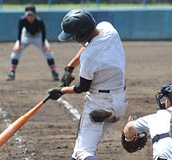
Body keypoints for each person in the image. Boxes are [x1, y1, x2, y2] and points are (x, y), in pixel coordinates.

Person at [48, 9, 128, 160]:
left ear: (83, 32)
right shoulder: (108, 29)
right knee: (80, 150)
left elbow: (82, 88)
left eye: (73, 35)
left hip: (99, 106)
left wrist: (61, 91)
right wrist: (70, 67)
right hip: (119, 103)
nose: (72, 38)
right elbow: (90, 44)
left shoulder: (89, 57)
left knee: (83, 153)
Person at [6, 5, 59, 81]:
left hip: (38, 37)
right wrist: (19, 44)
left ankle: (54, 72)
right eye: (28, 15)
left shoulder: (39, 21)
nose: (30, 17)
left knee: (48, 52)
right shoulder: (22, 20)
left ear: (35, 14)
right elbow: (19, 32)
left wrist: (44, 44)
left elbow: (43, 32)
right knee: (15, 51)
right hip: (26, 36)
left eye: (31, 15)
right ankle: (12, 73)